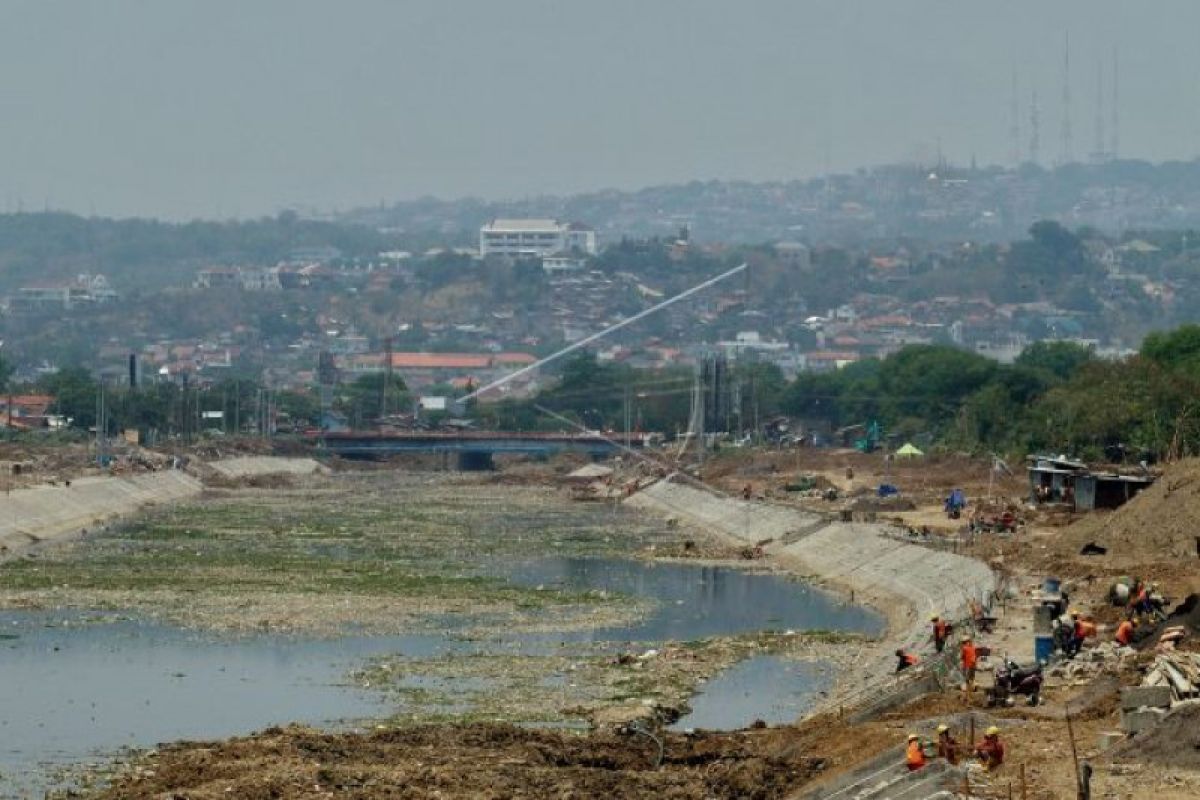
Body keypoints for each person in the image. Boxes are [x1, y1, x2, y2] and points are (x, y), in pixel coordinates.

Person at [960, 634, 978, 700]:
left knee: (967, 681)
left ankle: (967, 696)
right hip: (972, 666)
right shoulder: (973, 648)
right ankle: (969, 695)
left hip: (968, 666)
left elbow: (962, 657)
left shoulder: (965, 648)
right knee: (971, 680)